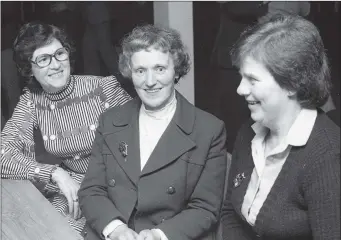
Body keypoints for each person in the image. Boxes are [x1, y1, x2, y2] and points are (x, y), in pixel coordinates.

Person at [78, 24, 227, 240]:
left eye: (159, 69)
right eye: (140, 71)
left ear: (176, 69)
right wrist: (116, 229)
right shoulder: (110, 121)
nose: (150, 82)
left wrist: (158, 235)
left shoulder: (209, 130)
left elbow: (205, 208)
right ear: (130, 72)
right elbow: (91, 191)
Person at [1, 22, 131, 235]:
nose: (55, 65)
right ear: (29, 68)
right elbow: (3, 155)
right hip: (74, 185)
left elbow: (144, 139)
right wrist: (55, 173)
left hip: (118, 184)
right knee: (44, 228)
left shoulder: (103, 88)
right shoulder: (32, 102)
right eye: (43, 59)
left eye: (59, 54)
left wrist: (94, 190)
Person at [221, 14, 340, 240]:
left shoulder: (328, 156)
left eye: (252, 79)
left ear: (292, 84)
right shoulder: (248, 132)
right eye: (241, 77)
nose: (240, 89)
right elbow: (231, 212)